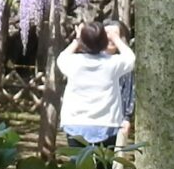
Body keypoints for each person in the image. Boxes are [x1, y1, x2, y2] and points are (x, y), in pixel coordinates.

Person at [55, 19, 134, 148]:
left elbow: (61, 57)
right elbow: (130, 58)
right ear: (105, 42)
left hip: (75, 122)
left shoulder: (73, 62)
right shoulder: (112, 63)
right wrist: (116, 38)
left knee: (78, 161)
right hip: (107, 123)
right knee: (104, 161)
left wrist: (78, 39)